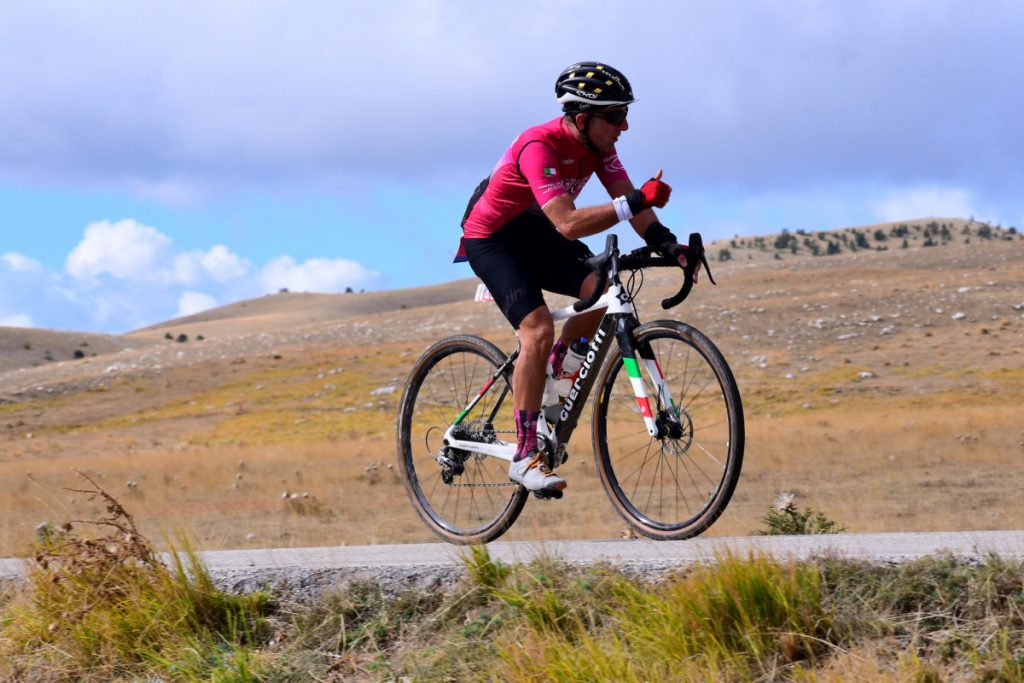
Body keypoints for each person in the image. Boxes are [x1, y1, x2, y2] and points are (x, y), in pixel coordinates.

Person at [456, 61, 694, 494]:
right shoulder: (539, 145)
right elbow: (568, 223)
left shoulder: (600, 148)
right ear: (583, 119)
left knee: (599, 289)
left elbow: (629, 201)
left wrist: (668, 243)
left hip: (540, 233)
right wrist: (636, 200)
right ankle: (525, 456)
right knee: (537, 329)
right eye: (615, 117)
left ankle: (557, 371)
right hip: (493, 239)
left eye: (625, 114)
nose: (624, 126)